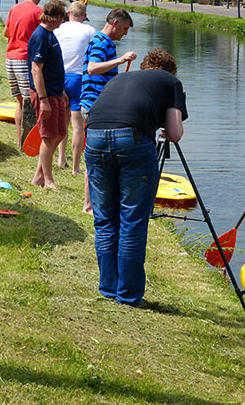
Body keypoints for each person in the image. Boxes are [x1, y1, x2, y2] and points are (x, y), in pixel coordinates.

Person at [84, 48, 188, 307]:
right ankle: (128, 295)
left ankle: (108, 287)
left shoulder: (120, 79)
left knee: (105, 218)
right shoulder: (171, 82)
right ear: (170, 72)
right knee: (132, 220)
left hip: (94, 135)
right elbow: (174, 134)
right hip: (131, 140)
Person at [79, 7, 137, 212]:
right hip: (94, 106)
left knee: (99, 156)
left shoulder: (106, 43)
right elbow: (92, 68)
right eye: (124, 28)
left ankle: (97, 203)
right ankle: (89, 205)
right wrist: (120, 60)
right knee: (95, 157)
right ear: (114, 23)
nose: (125, 33)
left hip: (99, 106)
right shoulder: (100, 42)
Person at [27, 0, 69, 189]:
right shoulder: (41, 36)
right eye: (64, 17)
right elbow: (36, 69)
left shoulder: (51, 35)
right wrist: (43, 100)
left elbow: (53, 67)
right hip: (46, 94)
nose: (65, 20)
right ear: (58, 17)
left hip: (56, 92)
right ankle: (47, 179)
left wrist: (61, 91)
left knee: (60, 133)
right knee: (48, 136)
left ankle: (38, 175)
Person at [54, 1, 96, 174]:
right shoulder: (90, 31)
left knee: (62, 122)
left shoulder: (57, 30)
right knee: (77, 126)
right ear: (84, 16)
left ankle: (61, 158)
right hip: (79, 78)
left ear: (68, 13)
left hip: (60, 78)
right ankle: (76, 167)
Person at [4, 0, 43, 148]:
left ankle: (20, 140)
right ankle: (30, 143)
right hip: (24, 59)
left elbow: (6, 32)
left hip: (10, 58)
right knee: (31, 102)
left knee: (20, 102)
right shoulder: (38, 11)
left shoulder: (14, 9)